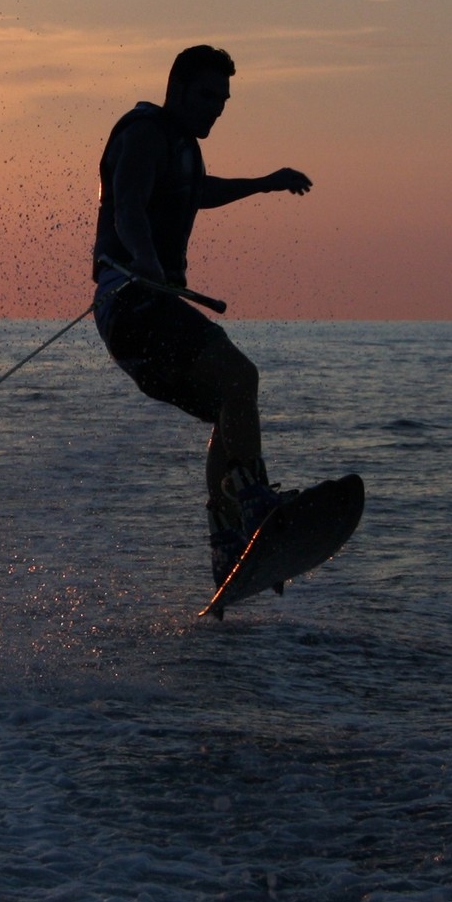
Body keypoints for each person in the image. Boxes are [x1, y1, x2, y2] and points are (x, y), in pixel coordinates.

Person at [92, 44, 312, 585]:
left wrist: (264, 182)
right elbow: (126, 204)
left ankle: (227, 538)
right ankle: (254, 505)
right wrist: (145, 262)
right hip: (135, 303)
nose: (217, 108)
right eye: (208, 96)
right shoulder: (145, 132)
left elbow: (199, 193)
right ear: (178, 90)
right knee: (241, 377)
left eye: (224, 100)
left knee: (229, 410)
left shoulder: (185, 148)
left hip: (137, 322)